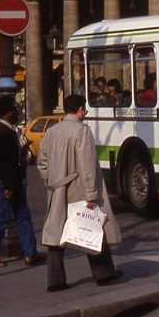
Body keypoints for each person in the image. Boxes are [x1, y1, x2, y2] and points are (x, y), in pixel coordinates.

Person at [37, 94, 123, 292]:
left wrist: (51, 180)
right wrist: (91, 193)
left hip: (57, 189)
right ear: (80, 110)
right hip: (77, 189)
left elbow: (41, 162)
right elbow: (87, 165)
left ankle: (55, 280)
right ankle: (103, 273)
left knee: (55, 234)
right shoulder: (82, 131)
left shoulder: (51, 131)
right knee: (92, 228)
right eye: (85, 110)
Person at [0, 95, 41, 267]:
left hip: (13, 180)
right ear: (7, 113)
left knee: (23, 215)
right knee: (1, 217)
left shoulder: (8, 131)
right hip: (8, 182)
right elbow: (6, 162)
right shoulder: (3, 133)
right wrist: (9, 186)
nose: (17, 112)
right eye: (14, 109)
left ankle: (30, 252)